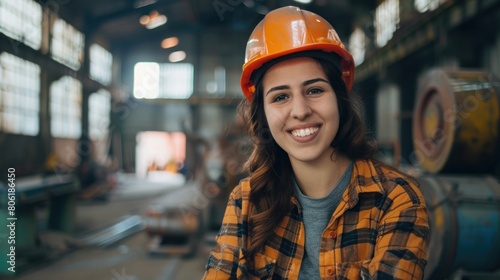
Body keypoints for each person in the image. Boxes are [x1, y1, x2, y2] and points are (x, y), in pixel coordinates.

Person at [203, 6, 429, 280]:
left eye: (314, 90)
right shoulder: (246, 201)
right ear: (262, 114)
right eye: (280, 97)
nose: (300, 111)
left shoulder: (396, 199)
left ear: (339, 98)